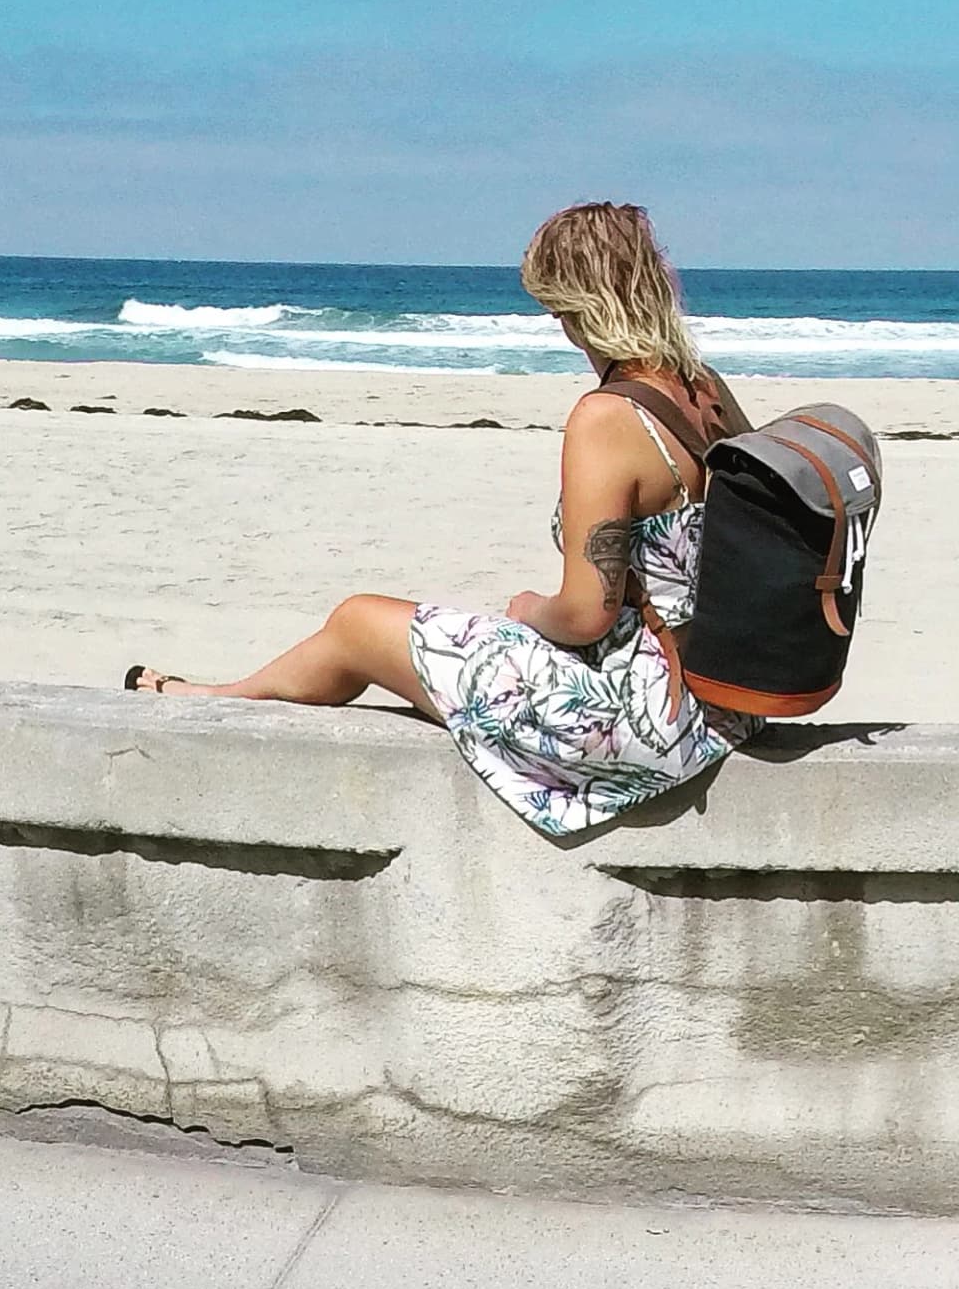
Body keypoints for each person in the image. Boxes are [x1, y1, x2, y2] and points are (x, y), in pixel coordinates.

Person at [123, 202, 747, 839]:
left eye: (560, 312)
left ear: (586, 307)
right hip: (718, 700)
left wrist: (528, 609)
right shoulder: (706, 391)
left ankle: (221, 700)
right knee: (392, 627)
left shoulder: (607, 417)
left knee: (359, 621)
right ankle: (228, 694)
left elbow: (588, 614)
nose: (562, 330)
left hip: (638, 719)